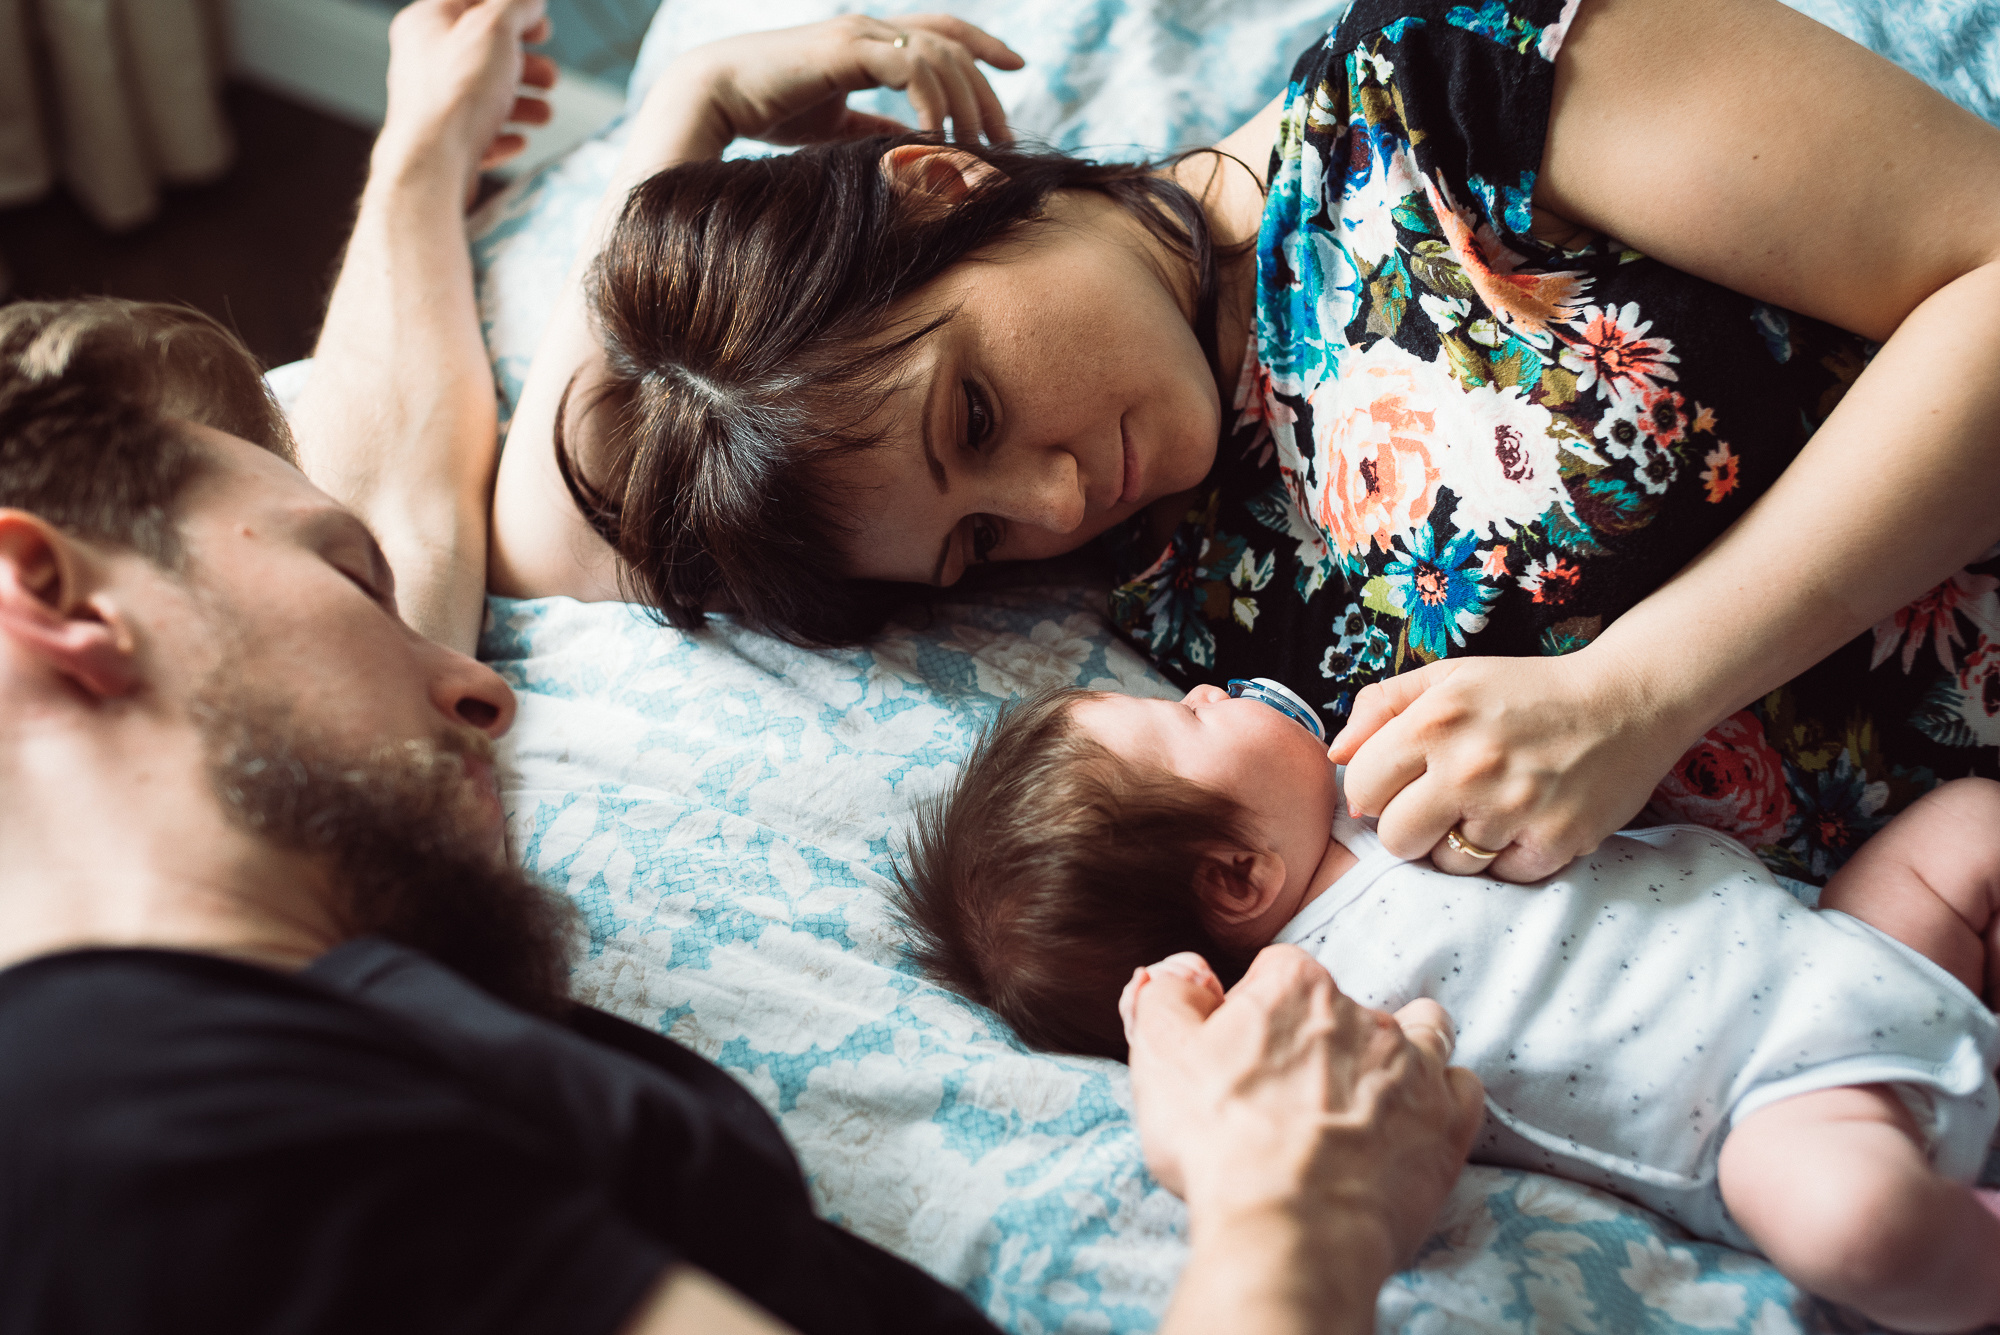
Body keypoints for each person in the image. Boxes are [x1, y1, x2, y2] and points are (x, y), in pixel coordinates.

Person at [0, 3, 1489, 1331]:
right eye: (339, 583)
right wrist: (1296, 1216)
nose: (486, 689)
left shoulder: (285, 977)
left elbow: (444, 509)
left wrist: (460, 151)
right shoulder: (149, 1122)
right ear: (45, 595)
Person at [457, 0, 2000, 893]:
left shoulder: (1452, 86)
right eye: (975, 539)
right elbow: (553, 542)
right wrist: (685, 104)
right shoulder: (1165, 556)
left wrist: (1640, 690)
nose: (1054, 498)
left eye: (974, 414)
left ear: (937, 183)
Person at [890, 680, 2000, 1331]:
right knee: (1856, 1226)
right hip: (1780, 1106)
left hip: (1846, 942)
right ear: (1236, 877)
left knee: (1966, 823)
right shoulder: (1314, 1008)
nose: (1210, 689)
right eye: (1187, 716)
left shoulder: (1385, 788)